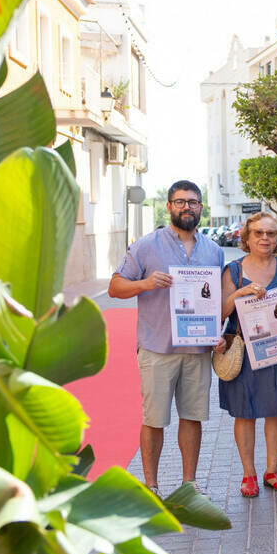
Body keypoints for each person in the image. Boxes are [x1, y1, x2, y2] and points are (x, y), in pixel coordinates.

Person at [109, 181, 223, 496]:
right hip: (157, 348)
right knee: (155, 419)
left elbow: (216, 298)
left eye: (193, 202)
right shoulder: (147, 246)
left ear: (201, 207)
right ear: (169, 206)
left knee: (192, 417)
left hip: (198, 348)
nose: (187, 207)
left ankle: (189, 484)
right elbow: (114, 287)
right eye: (180, 201)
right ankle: (152, 486)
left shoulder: (213, 250)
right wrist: (145, 284)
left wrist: (219, 333)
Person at [219, 212, 277, 497]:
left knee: (276, 412)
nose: (264, 238)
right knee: (244, 414)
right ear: (247, 237)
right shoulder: (233, 270)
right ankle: (249, 474)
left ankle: (272, 471)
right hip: (244, 352)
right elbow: (221, 311)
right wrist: (240, 293)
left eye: (270, 233)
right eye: (258, 233)